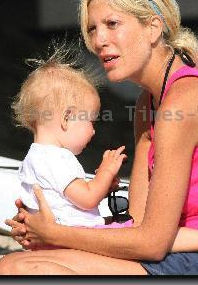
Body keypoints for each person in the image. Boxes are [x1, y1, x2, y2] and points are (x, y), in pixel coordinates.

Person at [0, 0, 198, 275]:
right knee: (11, 265)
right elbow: (137, 222)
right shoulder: (148, 103)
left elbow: (151, 243)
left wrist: (55, 234)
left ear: (153, 28)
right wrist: (48, 222)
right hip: (177, 253)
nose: (99, 41)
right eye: (93, 29)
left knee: (22, 272)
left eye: (112, 24)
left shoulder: (183, 101)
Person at [11, 49, 132, 232]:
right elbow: (87, 199)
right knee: (131, 226)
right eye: (90, 121)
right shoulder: (56, 159)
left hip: (52, 234)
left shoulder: (34, 158)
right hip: (68, 237)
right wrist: (105, 172)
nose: (93, 131)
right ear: (67, 118)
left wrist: (102, 186)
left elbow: (67, 200)